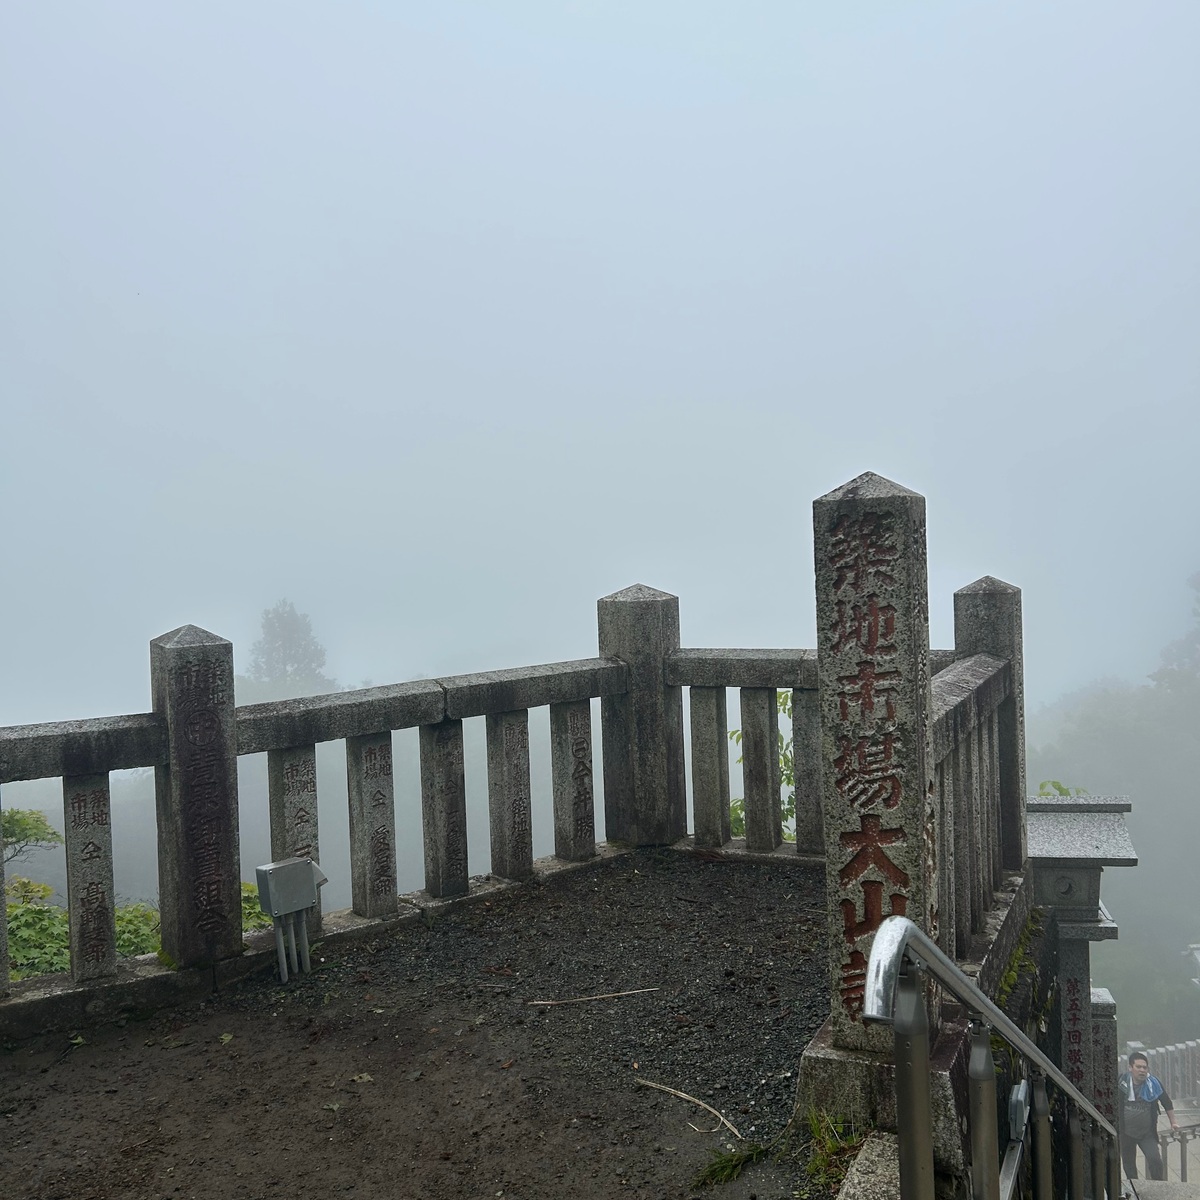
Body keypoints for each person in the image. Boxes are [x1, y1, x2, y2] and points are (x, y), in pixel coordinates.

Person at [1118, 1051, 1179, 1180]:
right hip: (1126, 1132)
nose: (1142, 1070)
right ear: (1130, 1068)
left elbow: (1166, 1102)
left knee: (1155, 1160)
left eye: (1144, 1067)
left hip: (1147, 1133)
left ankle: (1158, 1188)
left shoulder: (1154, 1084)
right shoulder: (1122, 1083)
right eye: (1138, 1067)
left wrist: (1173, 1122)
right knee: (1129, 1165)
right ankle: (1135, 1190)